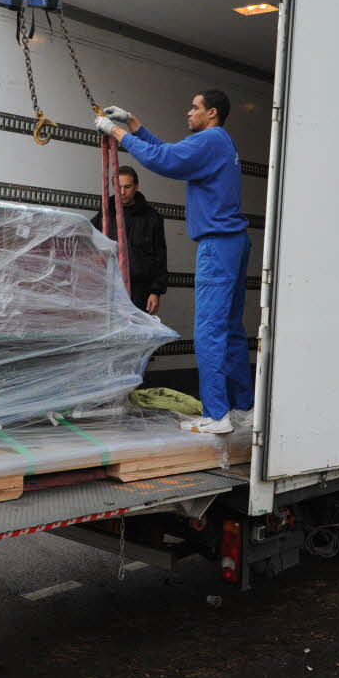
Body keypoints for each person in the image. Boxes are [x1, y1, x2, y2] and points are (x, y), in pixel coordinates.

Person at [94, 91, 251, 434]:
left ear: (211, 113)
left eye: (194, 107)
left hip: (217, 245)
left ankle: (216, 415)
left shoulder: (209, 139)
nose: (188, 112)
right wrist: (133, 122)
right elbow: (171, 152)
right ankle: (242, 408)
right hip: (234, 243)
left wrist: (117, 133)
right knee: (232, 331)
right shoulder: (218, 142)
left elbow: (165, 159)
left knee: (209, 331)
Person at [91, 165, 168, 315]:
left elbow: (160, 257)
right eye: (118, 187)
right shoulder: (107, 213)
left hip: (140, 292)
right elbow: (87, 237)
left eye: (127, 187)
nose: (122, 192)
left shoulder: (152, 218)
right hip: (109, 289)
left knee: (135, 336)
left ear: (136, 186)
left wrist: (155, 292)